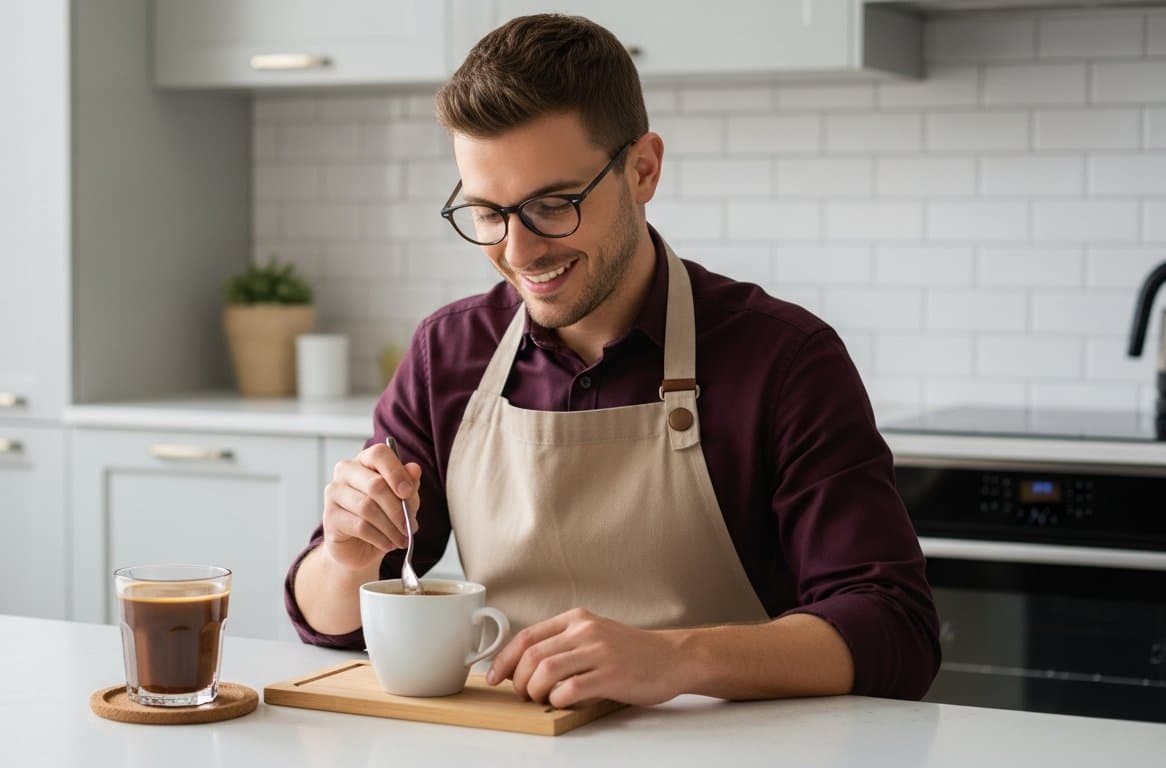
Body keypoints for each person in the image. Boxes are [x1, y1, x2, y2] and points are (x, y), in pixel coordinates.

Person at [284, 13, 939, 708]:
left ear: (643, 170)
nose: (519, 250)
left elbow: (895, 629)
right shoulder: (447, 354)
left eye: (553, 205)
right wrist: (347, 559)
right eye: (486, 213)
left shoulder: (785, 360)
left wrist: (674, 659)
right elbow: (331, 624)